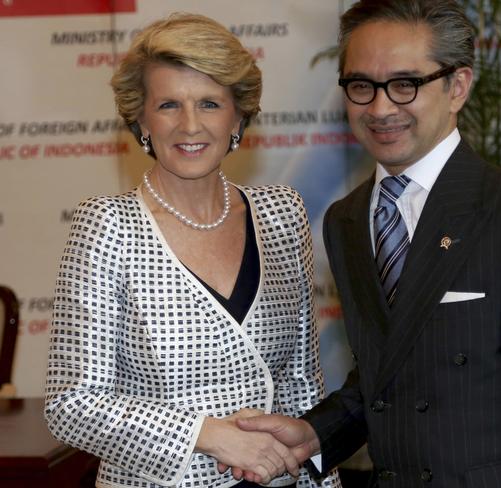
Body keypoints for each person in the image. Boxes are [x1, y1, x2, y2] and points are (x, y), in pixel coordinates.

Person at [232, 1, 501, 486]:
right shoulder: (346, 220)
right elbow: (388, 372)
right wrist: (315, 434)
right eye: (361, 86)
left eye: (406, 84)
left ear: (458, 87)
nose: (381, 107)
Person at [44, 13, 340, 488]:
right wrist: (206, 434)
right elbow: (72, 405)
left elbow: (303, 389)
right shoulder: (107, 226)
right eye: (168, 105)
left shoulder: (282, 214)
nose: (190, 125)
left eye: (209, 103)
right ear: (141, 117)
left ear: (238, 115)